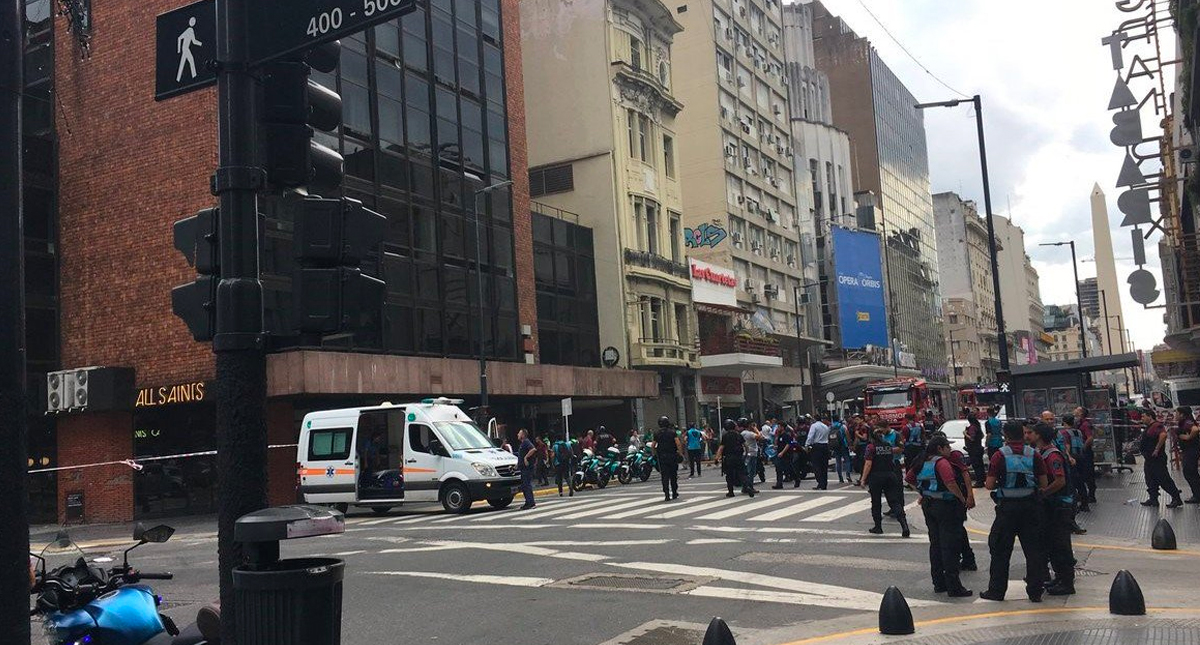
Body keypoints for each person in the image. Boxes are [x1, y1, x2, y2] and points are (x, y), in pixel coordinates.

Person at [980, 419, 1048, 602]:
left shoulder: (999, 456)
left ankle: (997, 591)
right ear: (1022, 434)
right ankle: (1035, 592)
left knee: (1000, 550)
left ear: (1006, 435)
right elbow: (1044, 483)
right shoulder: (1034, 455)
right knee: (1034, 551)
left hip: (1007, 509)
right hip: (1030, 508)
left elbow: (989, 485)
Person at [910, 436, 971, 596]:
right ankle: (954, 586)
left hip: (929, 505)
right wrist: (962, 498)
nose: (950, 450)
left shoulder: (922, 461)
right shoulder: (942, 463)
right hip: (946, 506)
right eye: (947, 447)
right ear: (939, 448)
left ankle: (938, 583)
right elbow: (951, 483)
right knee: (950, 546)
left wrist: (923, 492)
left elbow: (909, 478)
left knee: (935, 544)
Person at [1031, 422, 1076, 595]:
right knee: (1053, 544)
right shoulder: (1043, 453)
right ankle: (1060, 577)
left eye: (1032, 432)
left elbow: (1060, 481)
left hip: (1059, 505)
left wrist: (1043, 493)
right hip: (1052, 505)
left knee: (1060, 544)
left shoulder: (1052, 455)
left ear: (1039, 435)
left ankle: (1067, 582)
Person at [861, 424, 911, 537]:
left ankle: (878, 526)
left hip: (876, 476)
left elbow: (868, 464)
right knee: (894, 501)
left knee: (876, 502)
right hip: (890, 475)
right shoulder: (888, 446)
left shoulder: (871, 447)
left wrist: (863, 479)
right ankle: (904, 525)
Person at [1139, 409, 1184, 508]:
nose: (1142, 418)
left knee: (1163, 479)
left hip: (1157, 459)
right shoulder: (1149, 427)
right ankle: (1153, 499)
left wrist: (1156, 449)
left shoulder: (1156, 425)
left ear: (1150, 416)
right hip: (1149, 459)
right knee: (1150, 479)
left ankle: (1176, 498)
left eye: (1143, 416)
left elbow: (1163, 435)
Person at [716, 419, 751, 497]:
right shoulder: (739, 435)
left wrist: (717, 458)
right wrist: (745, 455)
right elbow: (746, 446)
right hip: (739, 457)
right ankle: (747, 486)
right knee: (742, 473)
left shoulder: (725, 436)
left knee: (729, 476)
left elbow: (721, 448)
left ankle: (731, 492)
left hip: (729, 458)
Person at [653, 416, 683, 501]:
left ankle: (666, 494)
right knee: (673, 475)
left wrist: (654, 454)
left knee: (664, 476)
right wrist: (680, 453)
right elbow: (678, 443)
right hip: (672, 456)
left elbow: (653, 445)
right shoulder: (672, 432)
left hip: (662, 457)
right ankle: (674, 492)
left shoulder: (657, 433)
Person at [1074, 406, 1098, 505]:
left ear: (1081, 413)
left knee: (1088, 473)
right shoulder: (1078, 423)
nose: (1074, 411)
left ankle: (1091, 495)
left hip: (1086, 452)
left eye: (1077, 410)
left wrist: (1083, 448)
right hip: (1081, 452)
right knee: (1082, 473)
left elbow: (1090, 438)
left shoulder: (1085, 424)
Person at [1176, 407, 1199, 503]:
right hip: (1188, 450)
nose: (1175, 415)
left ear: (1182, 414)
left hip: (1191, 450)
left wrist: (1188, 437)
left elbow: (1195, 429)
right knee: (1191, 472)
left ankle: (1197, 495)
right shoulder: (1184, 422)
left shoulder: (1187, 422)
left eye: (1177, 413)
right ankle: (1197, 494)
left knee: (1189, 472)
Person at [806, 413, 832, 490]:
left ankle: (820, 482)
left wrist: (807, 445)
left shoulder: (814, 426)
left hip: (817, 447)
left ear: (814, 419)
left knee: (816, 466)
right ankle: (824, 483)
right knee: (824, 466)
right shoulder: (825, 426)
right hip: (825, 446)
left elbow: (810, 436)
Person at [739, 417, 762, 496]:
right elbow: (760, 437)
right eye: (752, 425)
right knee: (751, 472)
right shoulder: (750, 433)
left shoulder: (742, 433)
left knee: (747, 471)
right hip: (751, 454)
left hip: (746, 453)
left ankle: (745, 487)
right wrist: (756, 429)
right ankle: (750, 487)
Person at [772, 423, 800, 489]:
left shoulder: (786, 435)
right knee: (778, 469)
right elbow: (778, 444)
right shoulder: (779, 436)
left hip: (786, 454)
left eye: (779, 427)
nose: (778, 428)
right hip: (779, 454)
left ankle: (797, 479)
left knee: (789, 469)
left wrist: (782, 452)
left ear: (782, 427)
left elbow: (788, 444)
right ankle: (779, 484)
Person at [964, 411, 986, 487]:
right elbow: (982, 436)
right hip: (979, 448)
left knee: (976, 465)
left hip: (974, 449)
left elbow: (972, 438)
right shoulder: (977, 426)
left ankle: (979, 482)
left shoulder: (972, 428)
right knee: (980, 464)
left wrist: (965, 434)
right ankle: (982, 480)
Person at [517, 429, 537, 510]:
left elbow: (533, 449)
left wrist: (526, 458)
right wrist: (517, 465)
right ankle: (528, 502)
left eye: (519, 433)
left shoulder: (526, 442)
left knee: (526, 485)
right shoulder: (523, 444)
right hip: (523, 468)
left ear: (523, 435)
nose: (517, 435)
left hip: (527, 468)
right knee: (524, 485)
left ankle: (530, 502)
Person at [830, 417, 851, 484]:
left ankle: (840, 477)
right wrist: (849, 444)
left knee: (838, 461)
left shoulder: (831, 427)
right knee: (847, 460)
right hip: (843, 445)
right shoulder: (843, 426)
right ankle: (848, 475)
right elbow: (847, 435)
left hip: (835, 445)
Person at [852, 418, 870, 485]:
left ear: (862, 420)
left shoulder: (864, 427)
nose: (856, 421)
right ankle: (863, 478)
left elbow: (864, 438)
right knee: (860, 463)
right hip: (859, 447)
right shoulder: (858, 427)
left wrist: (857, 434)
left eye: (858, 419)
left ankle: (863, 479)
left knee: (862, 462)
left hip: (863, 446)